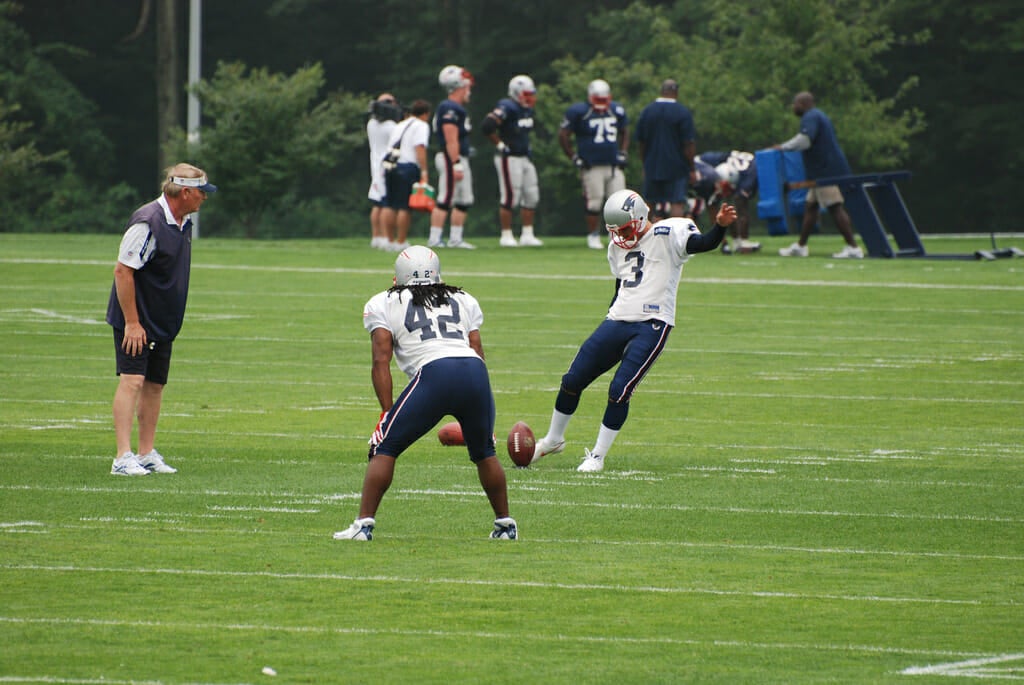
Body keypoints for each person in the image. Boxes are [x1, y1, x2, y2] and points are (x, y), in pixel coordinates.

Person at [531, 189, 737, 473]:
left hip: (652, 322)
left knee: (620, 389)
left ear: (641, 218)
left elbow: (703, 243)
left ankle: (597, 456)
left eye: (625, 229)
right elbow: (620, 287)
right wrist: (610, 316)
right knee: (572, 379)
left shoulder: (670, 232)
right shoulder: (616, 247)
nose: (620, 237)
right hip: (617, 319)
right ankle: (554, 439)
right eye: (615, 231)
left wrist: (720, 227)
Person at [334, 246, 517, 541]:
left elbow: (381, 361)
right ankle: (505, 525)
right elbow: (477, 351)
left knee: (384, 447)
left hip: (434, 374)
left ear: (399, 277)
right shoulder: (463, 298)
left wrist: (386, 412)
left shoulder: (383, 302)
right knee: (485, 452)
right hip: (474, 372)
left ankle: (362, 526)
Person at [106, 163, 216, 476]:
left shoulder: (183, 222)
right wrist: (132, 322)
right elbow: (123, 271)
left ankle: (145, 453)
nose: (204, 199)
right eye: (201, 193)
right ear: (185, 192)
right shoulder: (147, 222)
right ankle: (122, 457)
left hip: (161, 319)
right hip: (136, 320)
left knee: (155, 385)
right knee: (133, 380)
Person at [772, 91, 863, 259]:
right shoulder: (818, 115)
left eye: (796, 104)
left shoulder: (810, 117)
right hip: (820, 171)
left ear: (804, 104)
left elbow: (805, 140)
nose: (794, 107)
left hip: (825, 171)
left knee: (834, 207)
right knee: (811, 207)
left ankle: (853, 248)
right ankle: (801, 246)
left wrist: (783, 147)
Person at [559, 78, 629, 250]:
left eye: (604, 100)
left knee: (620, 203)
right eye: (598, 100)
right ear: (590, 97)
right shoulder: (579, 111)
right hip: (592, 165)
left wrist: (623, 152)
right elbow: (563, 134)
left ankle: (619, 236)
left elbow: (625, 131)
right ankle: (593, 235)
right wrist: (574, 156)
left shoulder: (616, 110)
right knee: (594, 203)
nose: (601, 103)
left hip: (613, 164)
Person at [481, 74, 542, 247]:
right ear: (516, 93)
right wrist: (500, 144)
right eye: (526, 94)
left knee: (531, 195)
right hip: (509, 157)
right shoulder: (507, 106)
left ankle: (527, 234)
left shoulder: (526, 109)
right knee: (510, 196)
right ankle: (506, 235)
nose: (530, 98)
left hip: (524, 156)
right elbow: (487, 126)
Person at [634, 79, 697, 222]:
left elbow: (641, 142)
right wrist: (692, 168)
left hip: (652, 164)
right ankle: (675, 240)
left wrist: (645, 163)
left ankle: (645, 237)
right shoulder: (682, 112)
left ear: (662, 91)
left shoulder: (647, 111)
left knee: (649, 203)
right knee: (676, 202)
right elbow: (688, 144)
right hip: (677, 165)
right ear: (676, 93)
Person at [428, 65, 476, 250]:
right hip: (450, 157)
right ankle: (434, 238)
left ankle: (456, 238)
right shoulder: (449, 108)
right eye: (466, 86)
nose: (468, 89)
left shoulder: (457, 108)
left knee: (464, 199)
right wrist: (455, 163)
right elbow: (451, 138)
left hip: (458, 157)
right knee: (446, 197)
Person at [380, 99, 432, 252]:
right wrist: (424, 171)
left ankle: (389, 241)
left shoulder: (400, 124)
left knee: (389, 204)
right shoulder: (422, 126)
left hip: (391, 165)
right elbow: (420, 147)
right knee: (404, 206)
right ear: (425, 114)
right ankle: (400, 241)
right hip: (407, 165)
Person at [691, 150, 761, 254]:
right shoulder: (711, 167)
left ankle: (740, 241)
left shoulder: (748, 175)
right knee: (720, 205)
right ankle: (735, 242)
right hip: (701, 174)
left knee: (735, 205)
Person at [366, 93, 401, 250]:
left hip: (375, 163)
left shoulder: (371, 123)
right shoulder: (390, 127)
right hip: (386, 165)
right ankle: (386, 237)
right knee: (386, 203)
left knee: (377, 202)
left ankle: (376, 236)